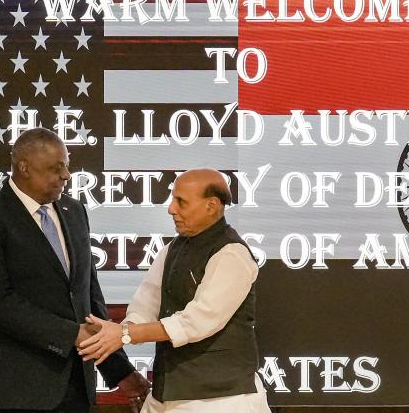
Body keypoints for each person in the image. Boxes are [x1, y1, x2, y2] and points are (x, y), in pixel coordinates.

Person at [0, 127, 149, 412]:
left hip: (72, 390)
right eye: (56, 168)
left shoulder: (74, 212)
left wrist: (119, 371)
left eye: (67, 166)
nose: (66, 176)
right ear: (24, 168)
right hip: (7, 391)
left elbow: (88, 298)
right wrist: (70, 334)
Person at [77, 168, 271, 412]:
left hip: (220, 399)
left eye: (181, 202)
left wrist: (125, 334)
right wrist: (120, 331)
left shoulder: (232, 254)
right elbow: (146, 302)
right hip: (167, 393)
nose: (171, 209)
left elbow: (198, 321)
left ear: (211, 205)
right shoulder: (173, 249)